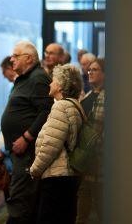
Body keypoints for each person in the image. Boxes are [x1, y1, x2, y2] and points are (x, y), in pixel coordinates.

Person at [1, 41, 53, 223]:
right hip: (18, 151)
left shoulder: (38, 78)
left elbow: (47, 111)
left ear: (29, 59)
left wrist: (27, 137)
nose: (11, 59)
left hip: (28, 152)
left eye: (15, 56)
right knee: (21, 197)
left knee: (21, 199)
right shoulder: (25, 78)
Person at [29, 64, 84, 224]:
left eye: (53, 80)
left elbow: (50, 146)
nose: (50, 83)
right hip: (68, 176)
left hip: (57, 177)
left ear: (60, 85)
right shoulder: (74, 104)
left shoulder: (60, 107)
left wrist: (34, 170)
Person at [76, 58, 105, 224]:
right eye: (89, 69)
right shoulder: (89, 94)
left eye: (95, 69)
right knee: (83, 200)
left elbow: (100, 129)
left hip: (98, 157)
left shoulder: (107, 96)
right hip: (86, 157)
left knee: (101, 202)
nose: (90, 72)